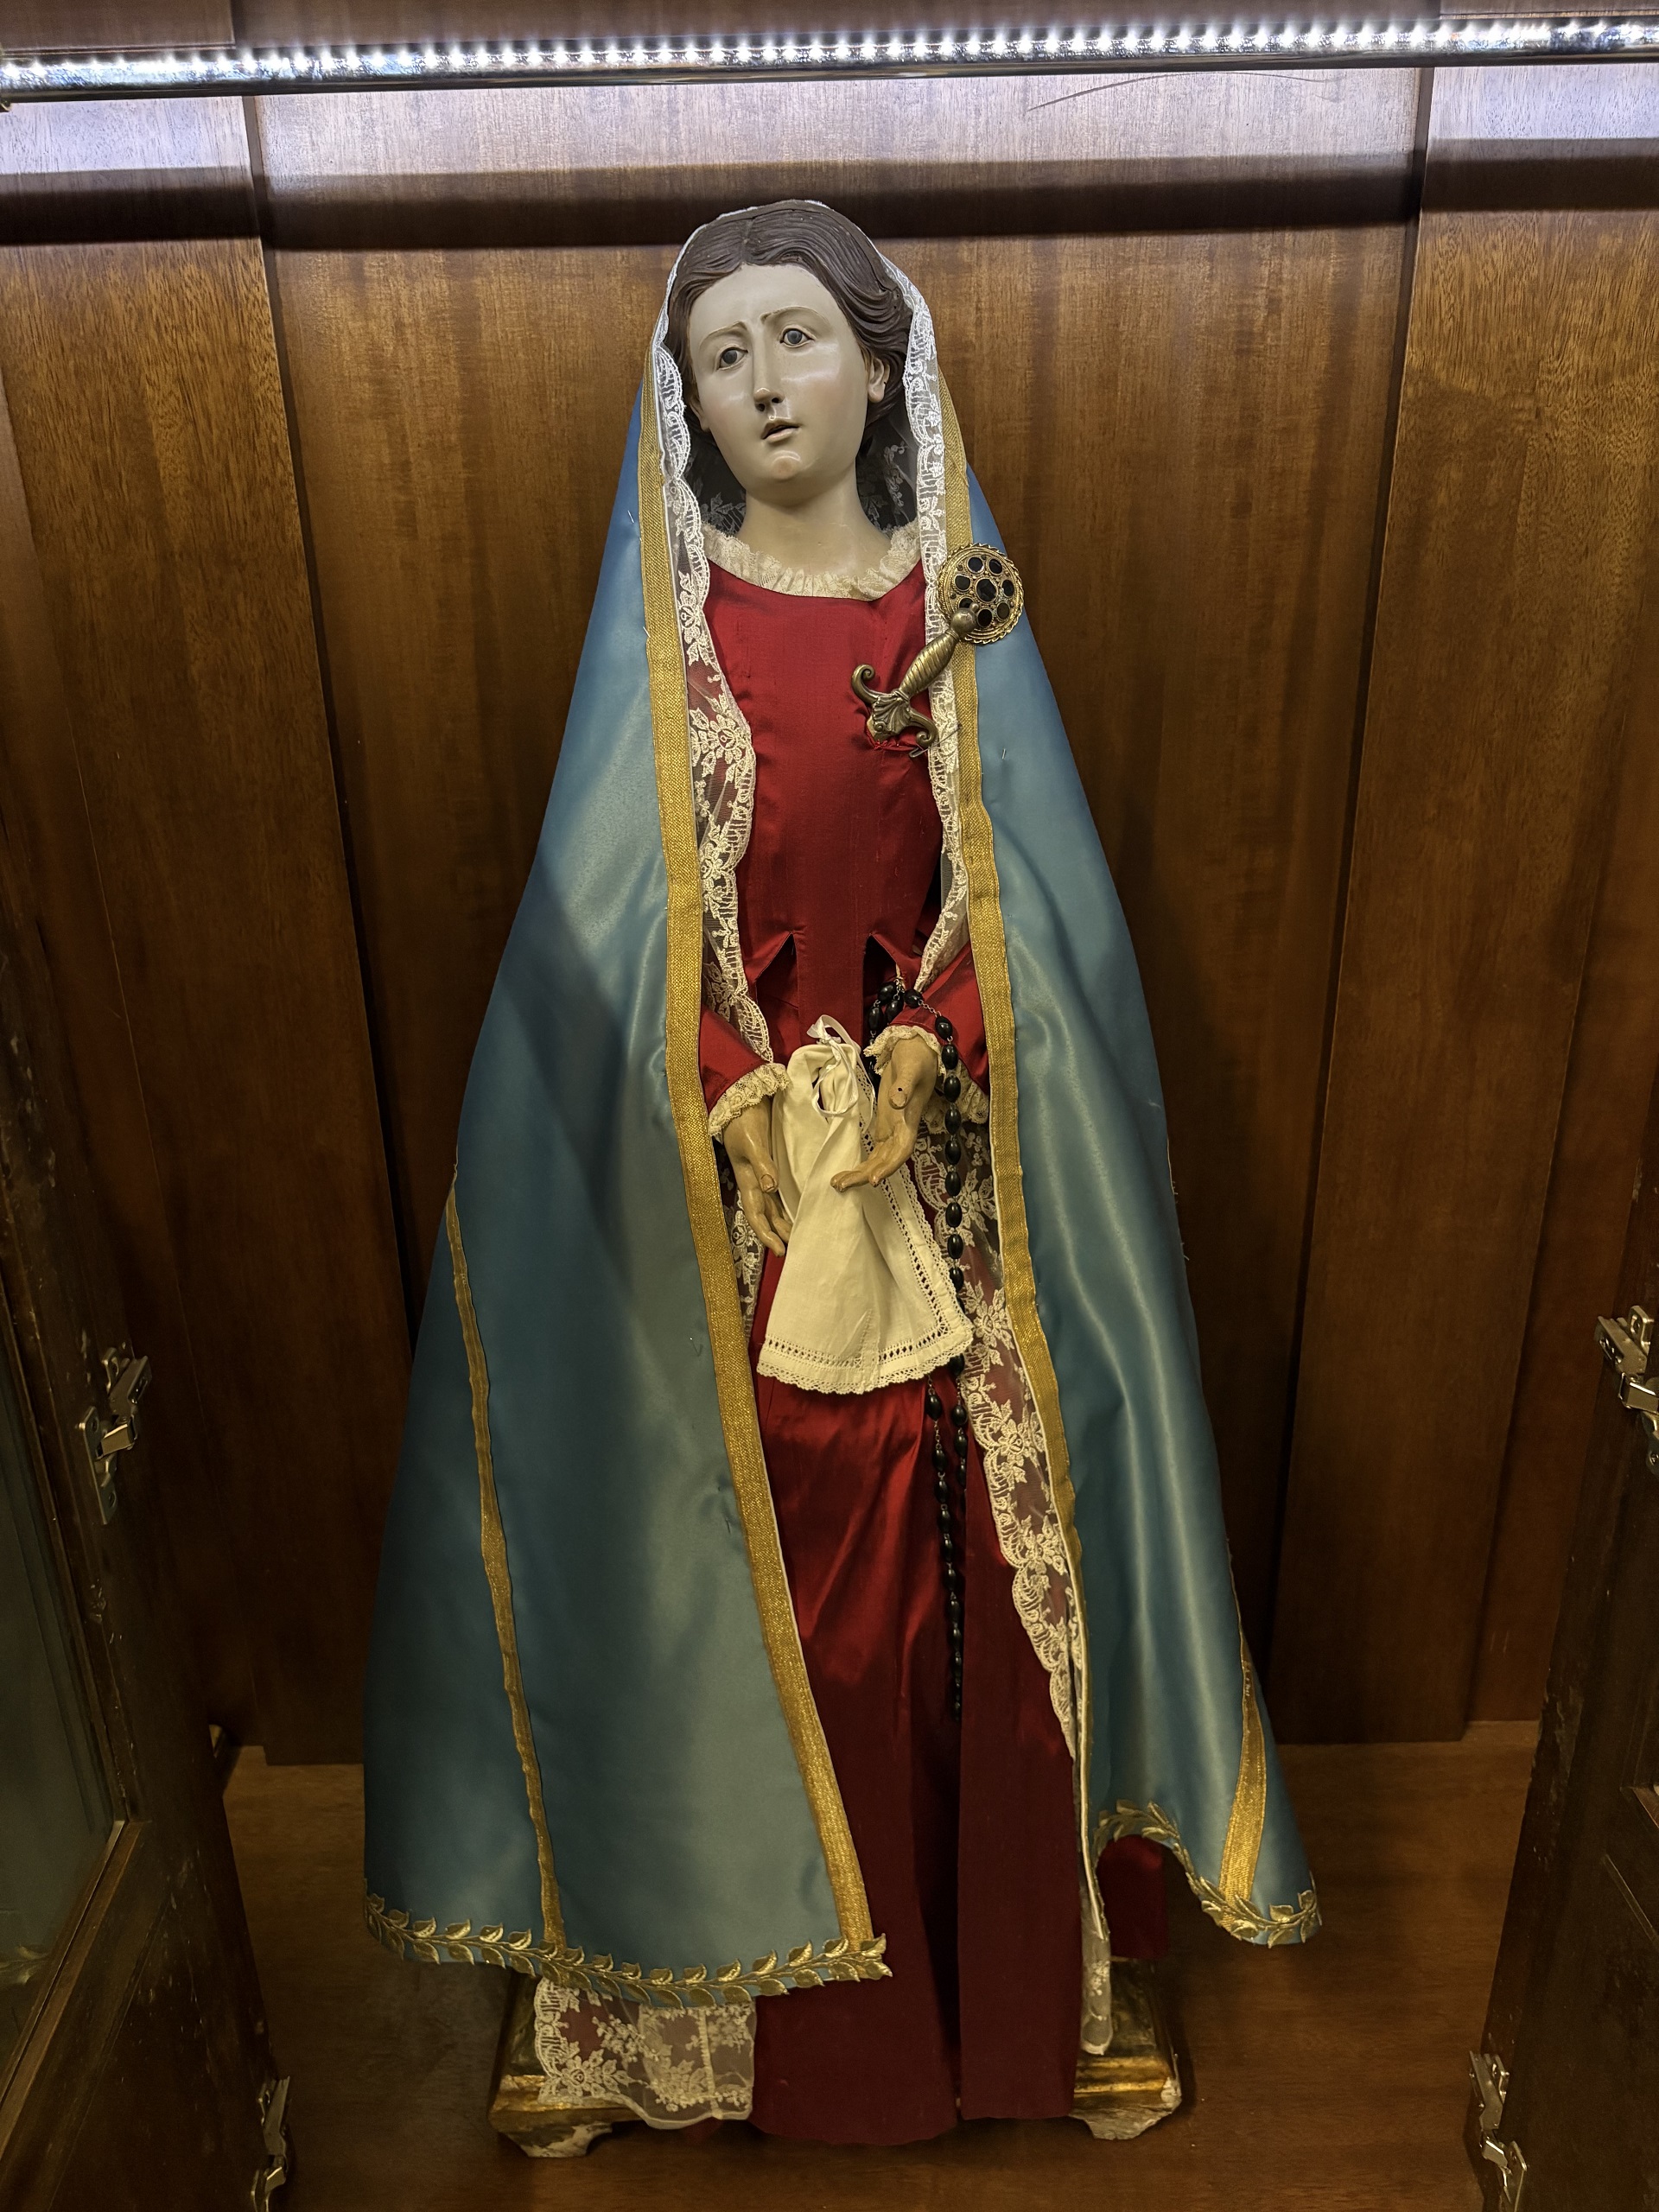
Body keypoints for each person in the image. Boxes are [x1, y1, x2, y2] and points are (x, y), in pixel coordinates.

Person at [362, 200, 1317, 2152]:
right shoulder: (671, 639)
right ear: (687, 404)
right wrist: (741, 1101)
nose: (768, 383)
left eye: (799, 337)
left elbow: (1027, 906)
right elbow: (609, 934)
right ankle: (670, 2015)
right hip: (733, 1204)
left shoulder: (950, 608)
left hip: (936, 1180)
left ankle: (1027, 2006)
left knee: (995, 1591)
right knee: (723, 1564)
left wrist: (929, 1055)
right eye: (724, 355)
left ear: (880, 364)